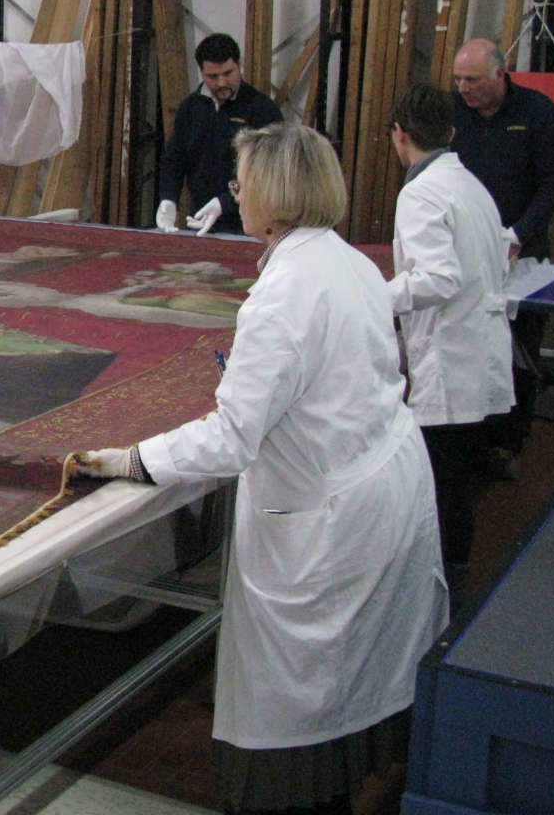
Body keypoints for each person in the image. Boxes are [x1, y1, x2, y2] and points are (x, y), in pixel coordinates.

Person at [79, 121, 447, 815]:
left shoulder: (285, 294)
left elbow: (232, 440)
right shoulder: (348, 262)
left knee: (298, 715)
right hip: (379, 487)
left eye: (241, 184)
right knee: (354, 688)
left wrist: (136, 458)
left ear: (272, 195)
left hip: (333, 516)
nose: (234, 193)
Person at [387, 84, 514, 593]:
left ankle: (441, 593)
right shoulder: (470, 185)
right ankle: (450, 577)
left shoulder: (421, 192)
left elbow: (439, 278)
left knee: (443, 483)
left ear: (400, 134)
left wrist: (375, 297)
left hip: (450, 357)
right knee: (457, 479)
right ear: (452, 132)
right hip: (475, 349)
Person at [449, 37, 554, 467]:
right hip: (465, 252)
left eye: (473, 80)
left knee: (519, 350)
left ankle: (509, 443)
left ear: (500, 75)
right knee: (470, 347)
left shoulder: (538, 113)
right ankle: (468, 438)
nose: (464, 88)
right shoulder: (452, 112)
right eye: (458, 79)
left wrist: (516, 234)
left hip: (522, 251)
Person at [155, 33, 282, 236]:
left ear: (238, 66)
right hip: (200, 221)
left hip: (249, 224)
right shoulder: (191, 108)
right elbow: (174, 159)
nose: (222, 82)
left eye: (228, 73)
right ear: (202, 73)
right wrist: (168, 198)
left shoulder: (261, 109)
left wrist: (226, 201)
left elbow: (270, 172)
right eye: (213, 77)